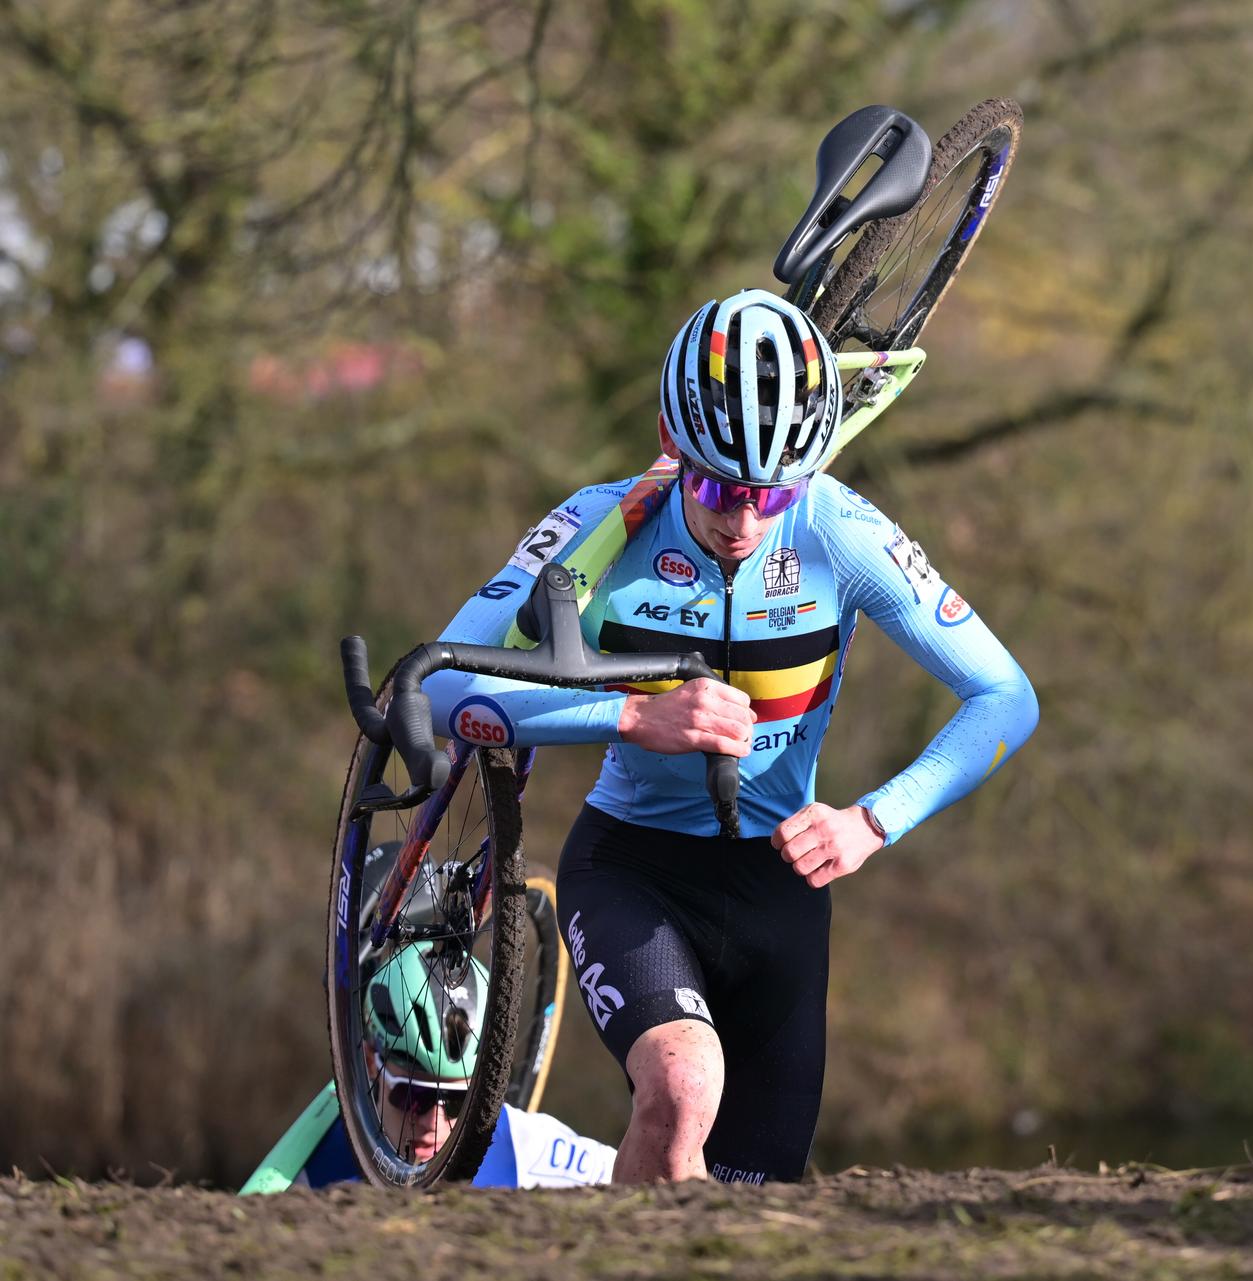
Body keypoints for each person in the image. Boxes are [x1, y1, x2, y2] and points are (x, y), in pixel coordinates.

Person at [423, 288, 1038, 1185]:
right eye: (715, 487)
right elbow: (442, 687)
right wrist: (633, 714)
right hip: (635, 866)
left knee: (753, 1210)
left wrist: (874, 820)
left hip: (781, 892)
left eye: (771, 493)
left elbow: (1005, 696)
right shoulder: (602, 526)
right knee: (680, 1090)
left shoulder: (841, 530)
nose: (743, 521)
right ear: (674, 445)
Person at [240, 943, 615, 1192]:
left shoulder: (524, 1144)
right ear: (371, 1062)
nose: (433, 1122)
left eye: (457, 1101)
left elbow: (646, 1179)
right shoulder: (314, 1164)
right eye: (413, 1097)